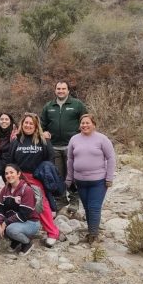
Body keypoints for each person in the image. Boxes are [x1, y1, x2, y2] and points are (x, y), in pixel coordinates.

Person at [9, 113, 61, 247]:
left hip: (36, 177)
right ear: (22, 124)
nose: (28, 125)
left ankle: (52, 232)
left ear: (36, 126)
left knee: (41, 204)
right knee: (18, 203)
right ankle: (20, 232)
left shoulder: (43, 140)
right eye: (26, 123)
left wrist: (45, 175)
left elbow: (50, 159)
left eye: (31, 123)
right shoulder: (16, 140)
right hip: (19, 177)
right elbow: (11, 160)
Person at [65, 114, 116, 243]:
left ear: (94, 125)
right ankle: (91, 230)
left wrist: (109, 178)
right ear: (79, 125)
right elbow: (70, 159)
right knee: (87, 207)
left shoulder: (102, 139)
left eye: (88, 123)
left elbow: (111, 158)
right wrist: (69, 178)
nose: (85, 125)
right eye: (82, 123)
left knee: (94, 206)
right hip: (80, 181)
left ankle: (94, 235)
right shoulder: (74, 139)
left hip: (98, 181)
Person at [40, 80, 87, 215]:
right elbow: (42, 124)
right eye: (58, 89)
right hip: (54, 146)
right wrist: (43, 132)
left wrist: (80, 135)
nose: (61, 91)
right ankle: (60, 200)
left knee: (72, 174)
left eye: (63, 89)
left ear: (68, 90)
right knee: (58, 175)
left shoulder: (77, 104)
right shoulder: (49, 106)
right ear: (55, 90)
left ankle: (74, 200)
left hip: (72, 146)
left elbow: (85, 120)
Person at [0, 164, 43, 256]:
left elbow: (24, 214)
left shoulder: (26, 190)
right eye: (6, 173)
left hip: (31, 222)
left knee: (10, 229)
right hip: (14, 221)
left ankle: (27, 243)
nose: (9, 175)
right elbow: (0, 210)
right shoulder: (5, 190)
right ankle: (16, 241)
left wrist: (5, 223)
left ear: (18, 174)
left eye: (11, 172)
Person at [0, 112, 18, 208]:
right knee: (6, 185)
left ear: (10, 121)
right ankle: (6, 205)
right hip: (0, 162)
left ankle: (16, 205)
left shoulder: (16, 133)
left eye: (6, 119)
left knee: (14, 184)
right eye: (2, 119)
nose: (4, 121)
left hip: (13, 161)